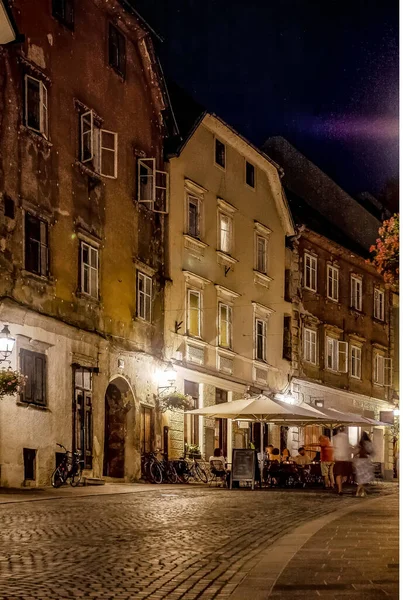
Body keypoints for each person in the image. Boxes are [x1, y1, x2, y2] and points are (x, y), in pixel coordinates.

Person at [333, 427, 353, 495]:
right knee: (344, 475)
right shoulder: (346, 437)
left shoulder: (334, 437)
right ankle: (341, 486)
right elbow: (348, 447)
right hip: (345, 458)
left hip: (338, 458)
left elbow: (333, 447)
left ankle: (339, 489)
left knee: (338, 474)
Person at [353, 432, 374, 497]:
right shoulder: (368, 443)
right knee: (363, 479)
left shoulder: (359, 444)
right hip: (365, 462)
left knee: (361, 479)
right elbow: (372, 452)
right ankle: (358, 492)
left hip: (359, 462)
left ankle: (362, 492)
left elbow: (355, 452)